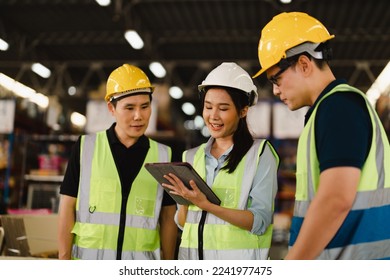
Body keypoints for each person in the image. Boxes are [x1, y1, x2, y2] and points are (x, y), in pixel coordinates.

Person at [253, 12, 390, 260]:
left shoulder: (339, 107)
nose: (275, 90)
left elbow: (336, 199)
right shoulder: (328, 111)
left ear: (304, 64)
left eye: (277, 79)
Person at [58, 64, 178, 260]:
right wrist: (63, 262)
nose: (138, 116)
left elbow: (168, 216)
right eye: (129, 108)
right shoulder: (85, 148)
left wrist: (167, 265)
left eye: (145, 107)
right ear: (111, 108)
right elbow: (66, 207)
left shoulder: (164, 156)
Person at [163, 62, 279, 260]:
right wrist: (184, 201)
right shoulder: (190, 157)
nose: (213, 116)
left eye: (223, 108)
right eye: (208, 107)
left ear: (243, 111)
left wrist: (206, 205)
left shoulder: (259, 154)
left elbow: (260, 221)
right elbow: (183, 223)